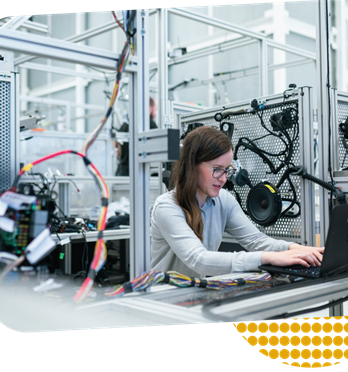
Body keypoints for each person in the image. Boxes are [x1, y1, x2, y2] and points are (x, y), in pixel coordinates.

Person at [150, 125, 325, 278]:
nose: (224, 179)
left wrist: (296, 249)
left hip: (194, 294)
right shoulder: (167, 207)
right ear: (192, 165)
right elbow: (199, 260)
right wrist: (267, 258)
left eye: (227, 170)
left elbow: (256, 241)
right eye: (217, 170)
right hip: (165, 300)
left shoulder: (223, 200)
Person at [115, 97, 158, 176]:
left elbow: (117, 148)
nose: (155, 113)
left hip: (123, 171)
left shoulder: (125, 125)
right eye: (155, 109)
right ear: (149, 108)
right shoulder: (150, 124)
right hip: (140, 171)